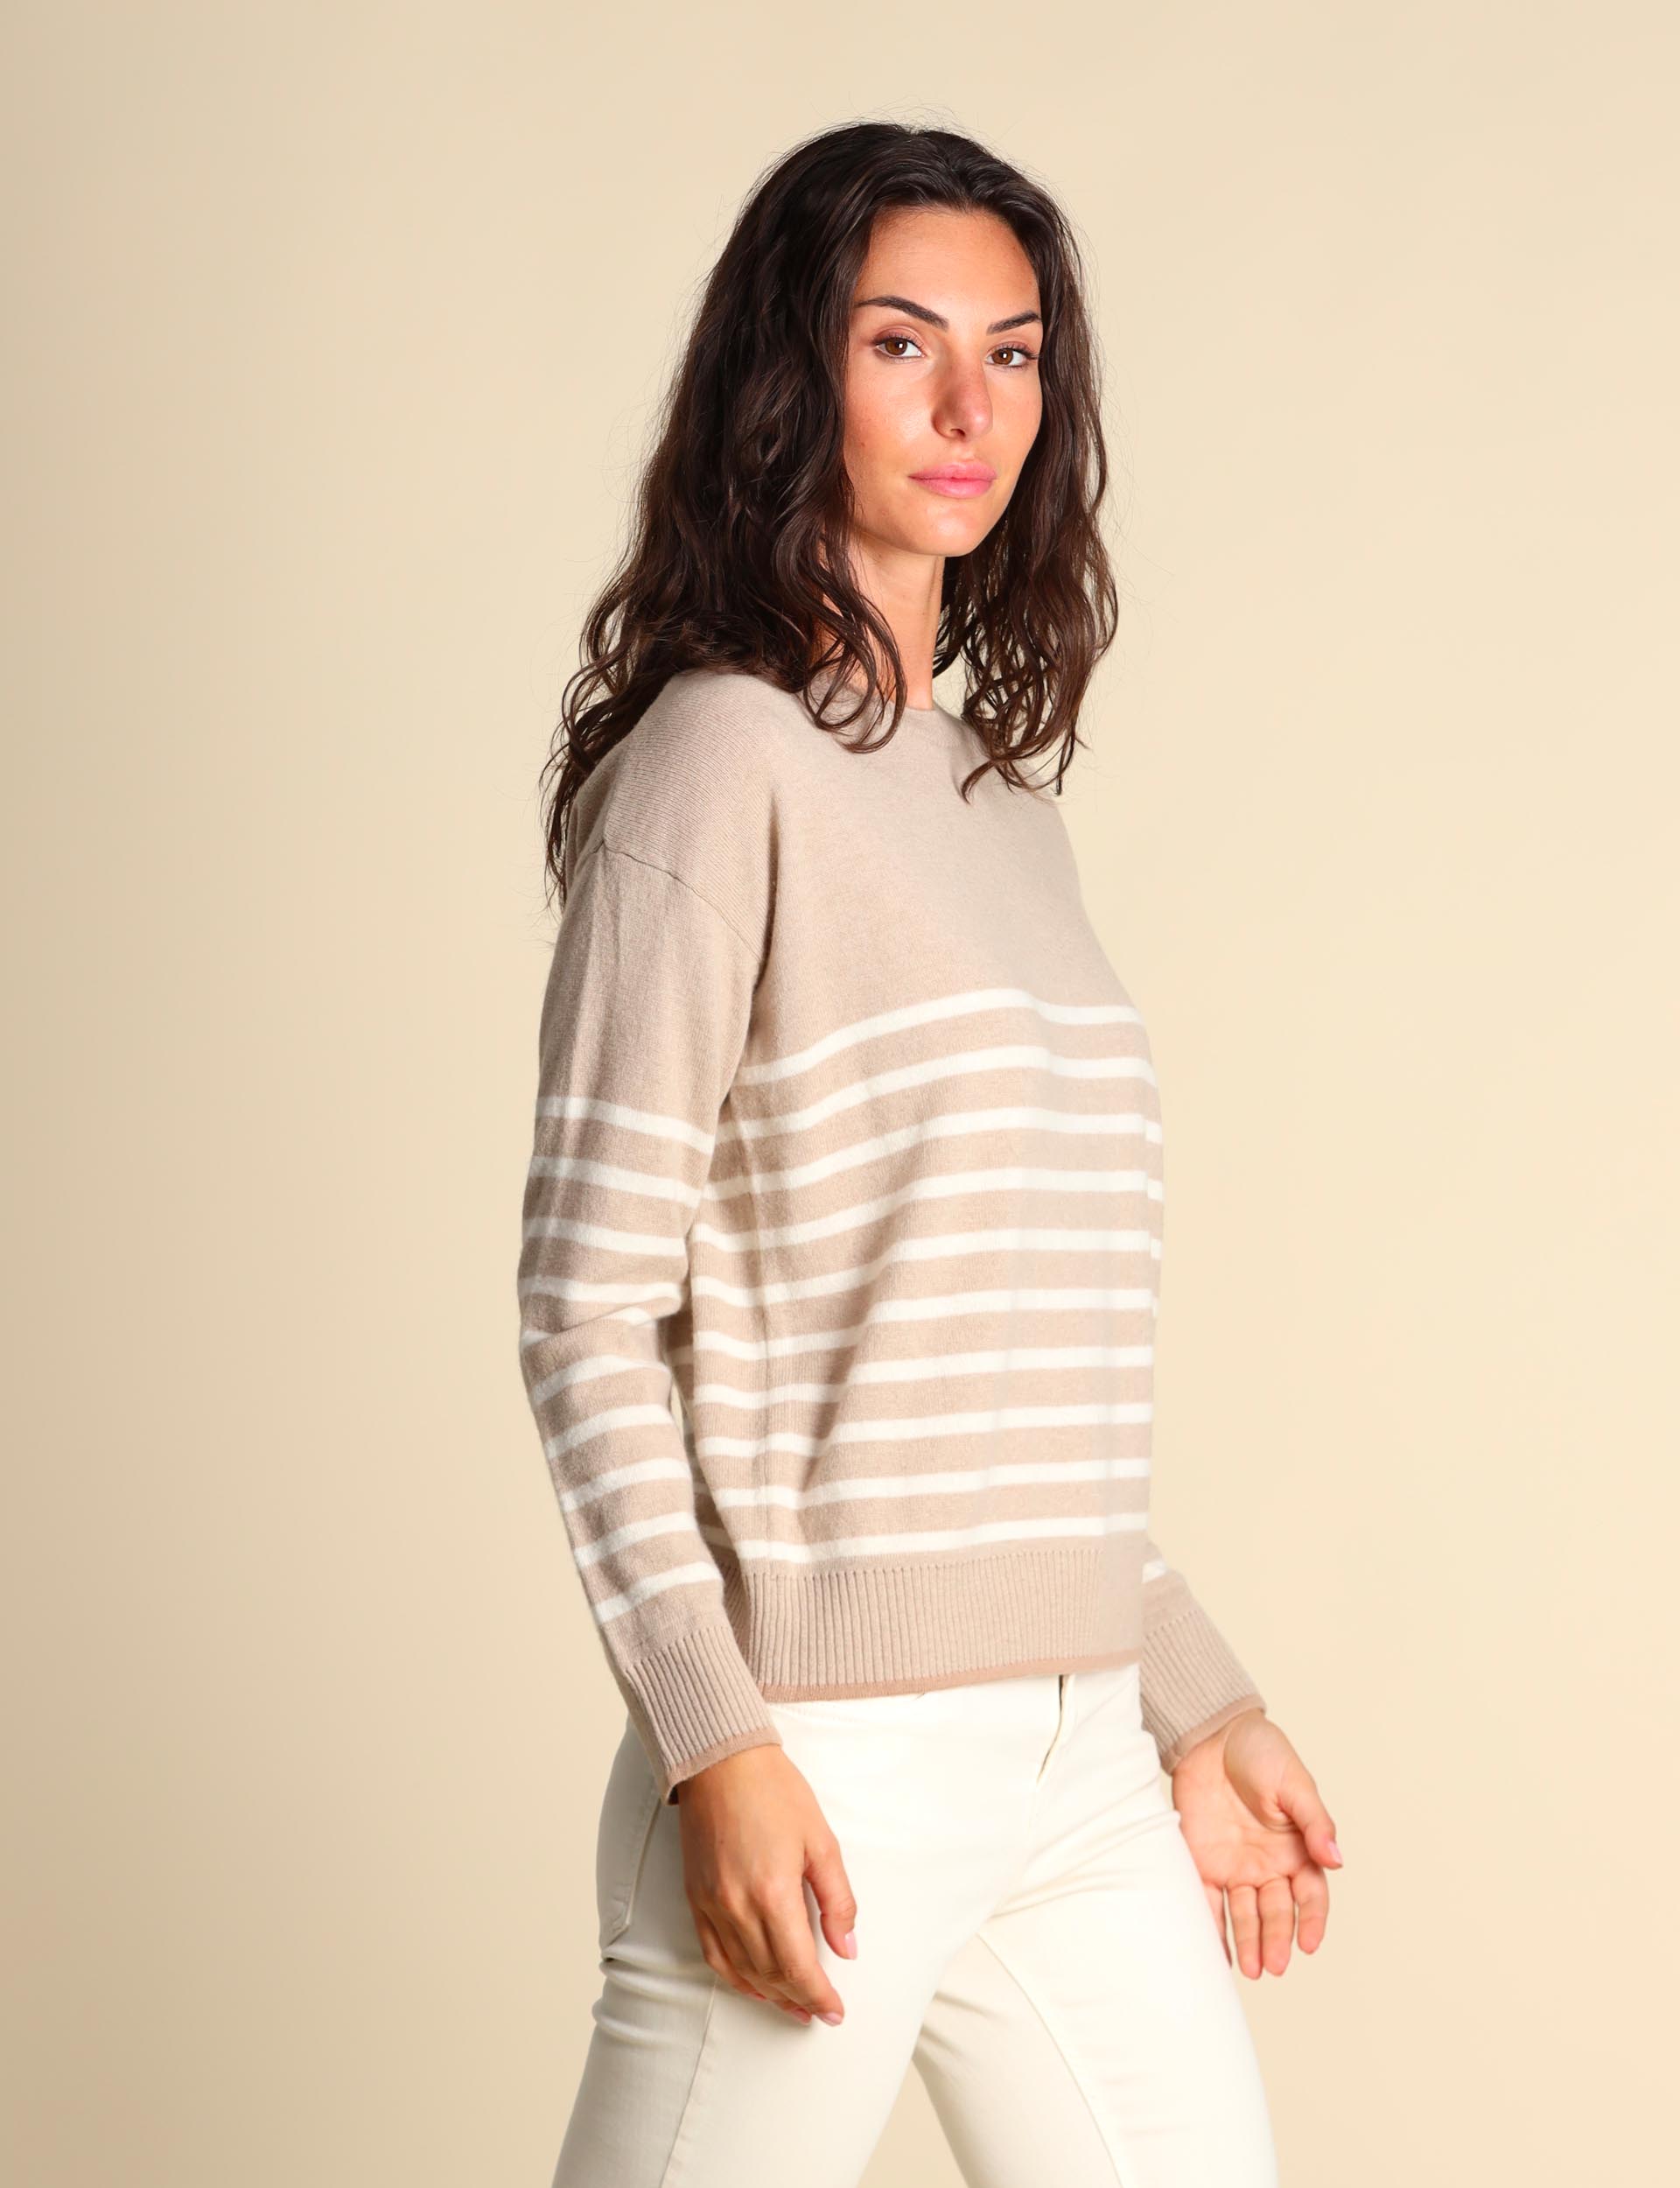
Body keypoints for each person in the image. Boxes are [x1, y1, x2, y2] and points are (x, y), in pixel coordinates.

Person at [514, 119, 1341, 2188]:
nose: (971, 406)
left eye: (1014, 351)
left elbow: (998, 1359)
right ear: (791, 377)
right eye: (903, 343)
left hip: (1076, 1755)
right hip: (824, 1756)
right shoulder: (715, 762)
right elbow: (585, 1305)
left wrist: (1193, 1697)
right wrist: (713, 1734)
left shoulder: (999, 809)